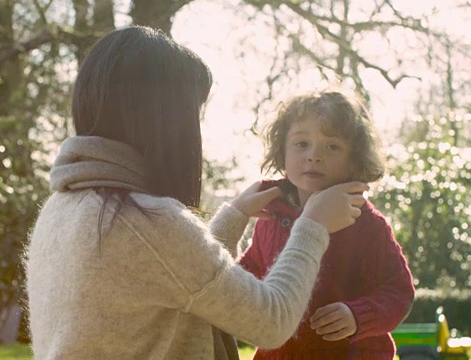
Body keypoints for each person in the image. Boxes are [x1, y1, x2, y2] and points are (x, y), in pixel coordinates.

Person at [24, 26, 368, 360]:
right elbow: (271, 320)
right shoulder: (146, 221)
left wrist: (234, 217)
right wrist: (312, 224)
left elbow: (172, 280)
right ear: (164, 120)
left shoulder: (61, 208)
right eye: (194, 115)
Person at [237, 89, 415, 359]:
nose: (313, 156)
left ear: (354, 159)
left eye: (332, 146)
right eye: (301, 144)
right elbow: (250, 273)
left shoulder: (366, 223)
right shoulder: (271, 215)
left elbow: (398, 291)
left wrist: (358, 316)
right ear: (281, 150)